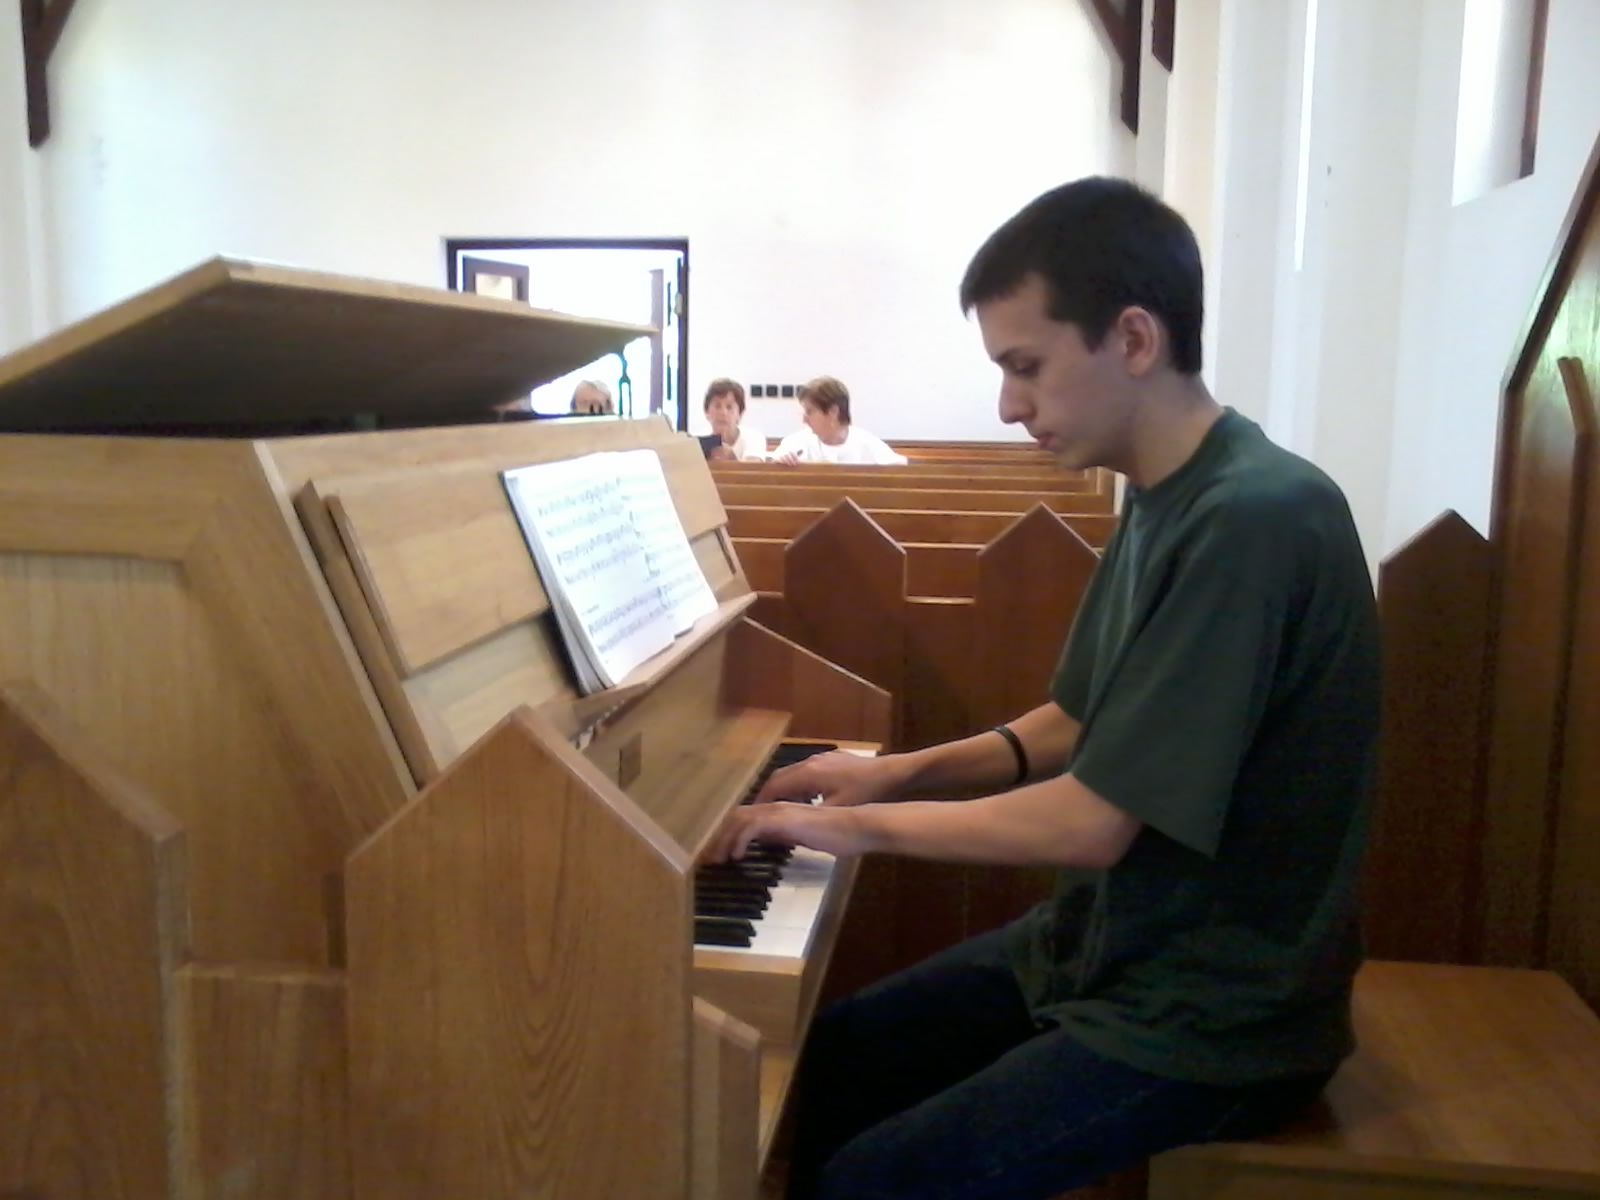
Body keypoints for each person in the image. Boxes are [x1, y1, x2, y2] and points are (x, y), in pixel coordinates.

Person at [703, 177, 1382, 1200]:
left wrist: (849, 830)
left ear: (1134, 338)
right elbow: (1076, 718)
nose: (1007, 405)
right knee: (837, 1054)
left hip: (1213, 1013)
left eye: (1025, 366)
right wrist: (897, 774)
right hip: (1107, 944)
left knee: (874, 1179)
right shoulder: (1163, 491)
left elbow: (1091, 826)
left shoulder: (1254, 517)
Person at [768, 376, 908, 465]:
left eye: (810, 412)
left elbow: (900, 467)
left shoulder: (866, 443)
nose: (804, 419)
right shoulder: (796, 442)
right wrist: (780, 462)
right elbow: (772, 465)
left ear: (833, 412)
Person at [703, 378, 768, 460]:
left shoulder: (754, 438)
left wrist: (732, 458)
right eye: (717, 406)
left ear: (739, 414)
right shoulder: (696, 441)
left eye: (729, 407)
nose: (723, 413)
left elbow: (752, 466)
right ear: (707, 412)